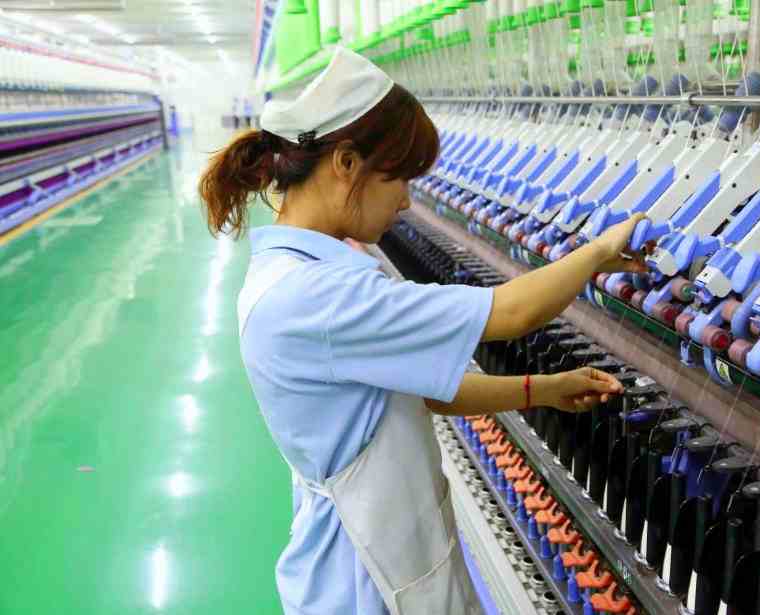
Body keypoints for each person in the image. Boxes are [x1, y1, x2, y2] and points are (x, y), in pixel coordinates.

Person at [199, 47, 647, 615]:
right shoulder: (317, 298)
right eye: (400, 178)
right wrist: (599, 251)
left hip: (373, 553)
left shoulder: (301, 273)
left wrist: (546, 389)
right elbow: (511, 314)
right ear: (345, 163)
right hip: (366, 580)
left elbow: (426, 392)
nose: (407, 200)